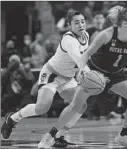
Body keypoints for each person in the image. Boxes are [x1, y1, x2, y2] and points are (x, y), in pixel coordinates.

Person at [40, 7, 127, 148]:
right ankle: (49, 136)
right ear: (123, 23)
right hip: (95, 73)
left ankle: (124, 135)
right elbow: (86, 54)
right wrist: (82, 71)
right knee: (76, 105)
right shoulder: (106, 35)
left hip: (116, 75)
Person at [1, 10, 92, 148]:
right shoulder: (69, 40)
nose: (81, 24)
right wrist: (90, 74)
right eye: (76, 22)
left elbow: (84, 58)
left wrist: (81, 72)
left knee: (81, 104)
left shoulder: (86, 35)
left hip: (67, 77)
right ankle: (12, 118)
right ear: (69, 25)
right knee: (42, 108)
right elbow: (79, 60)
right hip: (52, 74)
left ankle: (59, 136)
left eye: (83, 21)